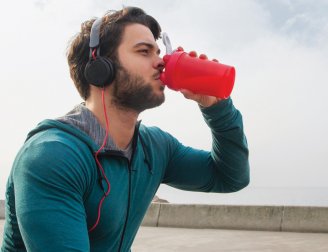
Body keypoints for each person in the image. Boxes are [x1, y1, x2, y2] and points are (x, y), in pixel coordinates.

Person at [2, 6, 250, 252]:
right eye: (144, 52)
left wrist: (217, 108)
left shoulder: (154, 148)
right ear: (100, 68)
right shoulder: (52, 156)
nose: (162, 62)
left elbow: (230, 177)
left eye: (159, 52)